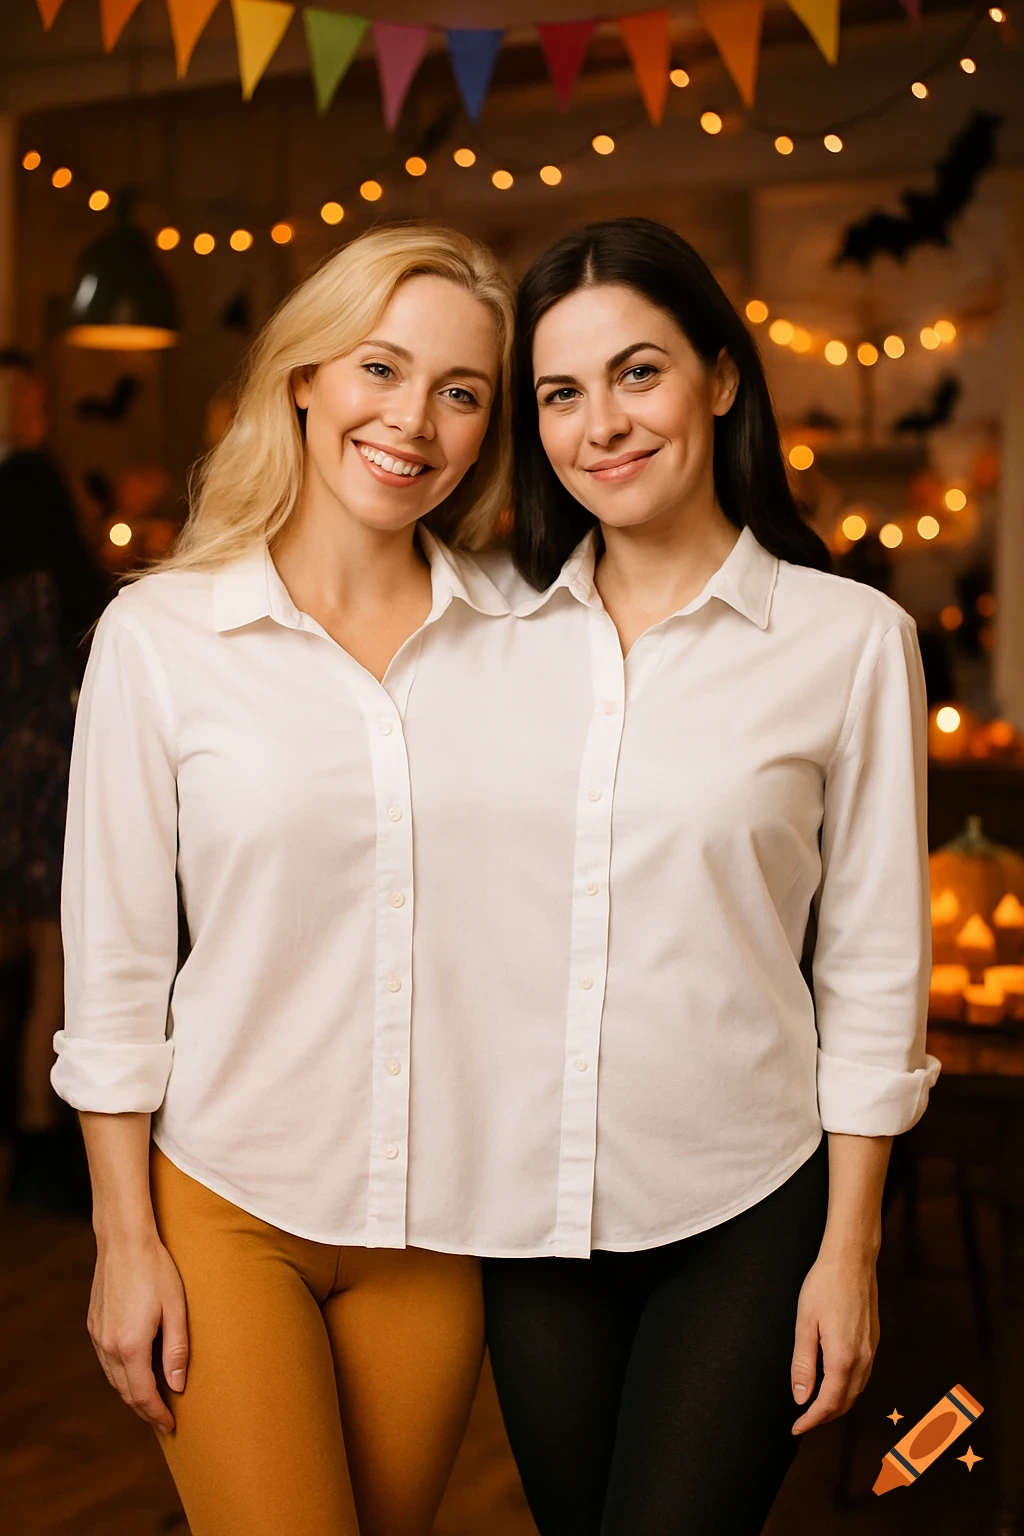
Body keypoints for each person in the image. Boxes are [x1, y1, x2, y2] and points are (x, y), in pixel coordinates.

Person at [474, 218, 940, 1536]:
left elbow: (872, 966)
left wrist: (850, 1251)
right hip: (533, 1216)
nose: (600, 424)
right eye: (560, 393)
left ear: (721, 378)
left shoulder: (849, 641)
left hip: (749, 1207)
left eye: (639, 373)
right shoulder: (480, 641)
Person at [52, 225, 517, 1536]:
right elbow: (116, 970)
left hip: (435, 1225)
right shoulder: (162, 637)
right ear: (306, 378)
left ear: (487, 428)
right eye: (381, 367)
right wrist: (122, 1237)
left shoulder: (531, 645)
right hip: (223, 1207)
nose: (413, 420)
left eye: (461, 391)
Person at [0, 355, 106, 1212]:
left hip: (15, 762)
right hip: (40, 764)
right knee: (54, 960)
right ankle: (41, 1137)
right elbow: (88, 615)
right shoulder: (33, 486)